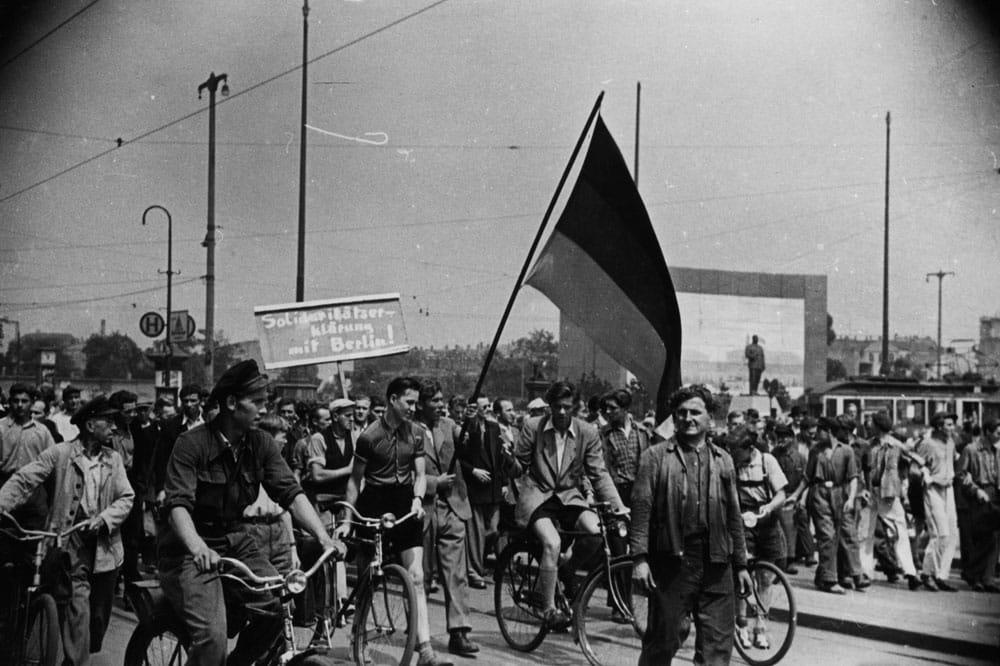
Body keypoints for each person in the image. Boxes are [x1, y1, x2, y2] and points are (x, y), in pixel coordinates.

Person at [158, 360, 342, 666]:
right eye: (255, 402)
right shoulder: (192, 444)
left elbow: (291, 493)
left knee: (279, 605)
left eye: (264, 402)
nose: (263, 409)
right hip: (187, 550)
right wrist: (198, 547)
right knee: (212, 639)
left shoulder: (261, 443)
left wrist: (324, 537)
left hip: (234, 540)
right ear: (231, 403)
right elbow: (177, 505)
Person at [0, 395, 134, 666]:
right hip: (70, 542)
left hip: (106, 547)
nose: (113, 428)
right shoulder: (61, 453)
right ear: (89, 424)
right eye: (107, 421)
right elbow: (26, 478)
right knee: (77, 608)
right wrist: (2, 503)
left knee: (98, 617)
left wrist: (105, 519)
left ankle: (79, 652)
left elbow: (126, 497)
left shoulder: (113, 459)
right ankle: (75, 661)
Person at [631, 385, 752, 665]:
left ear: (710, 418)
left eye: (695, 412)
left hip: (717, 562)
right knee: (663, 640)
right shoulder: (655, 457)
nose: (688, 418)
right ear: (674, 418)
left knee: (717, 647)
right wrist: (639, 559)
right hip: (672, 561)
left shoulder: (724, 460)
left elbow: (734, 516)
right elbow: (641, 510)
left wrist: (742, 565)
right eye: (681, 413)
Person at [335, 376, 452, 666]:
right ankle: (357, 641)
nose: (413, 408)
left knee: (417, 577)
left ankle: (425, 650)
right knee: (367, 580)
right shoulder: (369, 437)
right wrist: (348, 519)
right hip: (374, 501)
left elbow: (421, 474)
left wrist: (416, 498)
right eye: (408, 402)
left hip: (404, 501)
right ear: (392, 400)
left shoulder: (416, 433)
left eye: (415, 403)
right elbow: (355, 480)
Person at [500, 381, 624, 627]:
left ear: (576, 407)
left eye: (567, 407)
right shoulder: (533, 427)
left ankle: (567, 564)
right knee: (552, 542)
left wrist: (618, 506)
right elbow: (519, 467)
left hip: (568, 495)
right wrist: (507, 459)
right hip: (538, 495)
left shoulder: (587, 432)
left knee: (597, 533)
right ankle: (548, 608)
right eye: (556, 406)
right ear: (549, 406)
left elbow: (599, 473)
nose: (561, 412)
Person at [415, 379, 479, 657]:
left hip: (453, 506)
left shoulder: (449, 425)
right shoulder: (408, 430)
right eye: (435, 401)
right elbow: (403, 473)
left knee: (456, 573)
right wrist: (432, 482)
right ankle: (419, 631)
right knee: (422, 575)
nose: (441, 405)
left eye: (442, 400)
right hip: (423, 509)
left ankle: (459, 631)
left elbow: (470, 446)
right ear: (420, 404)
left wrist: (473, 425)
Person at [727, 425, 787, 650]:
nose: (734, 455)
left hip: (766, 521)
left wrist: (769, 508)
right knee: (742, 575)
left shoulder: (766, 461)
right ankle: (741, 623)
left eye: (737, 451)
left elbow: (781, 494)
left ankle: (760, 625)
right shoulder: (733, 464)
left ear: (749, 448)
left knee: (765, 577)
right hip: (743, 520)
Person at [867, 410, 922, 590]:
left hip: (888, 493)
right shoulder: (871, 444)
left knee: (899, 532)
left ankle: (910, 572)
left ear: (878, 426)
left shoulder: (896, 445)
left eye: (871, 422)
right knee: (868, 532)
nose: (868, 425)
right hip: (871, 491)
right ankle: (864, 572)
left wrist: (903, 484)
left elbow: (915, 461)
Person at [805, 417, 859, 593]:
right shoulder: (815, 451)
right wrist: (798, 497)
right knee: (827, 535)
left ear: (828, 431)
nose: (816, 434)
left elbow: (853, 478)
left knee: (843, 535)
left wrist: (851, 499)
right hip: (819, 495)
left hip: (839, 495)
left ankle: (838, 574)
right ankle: (829, 580)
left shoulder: (847, 451)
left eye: (819, 430)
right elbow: (807, 477)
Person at [459, 394, 505, 589]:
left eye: (488, 406)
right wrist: (473, 471)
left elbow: (501, 456)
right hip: (476, 487)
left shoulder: (494, 428)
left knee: (493, 530)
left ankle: (476, 560)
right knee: (476, 533)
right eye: (483, 406)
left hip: (493, 487)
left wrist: (504, 482)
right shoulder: (467, 428)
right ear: (474, 407)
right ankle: (474, 571)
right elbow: (459, 458)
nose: (487, 409)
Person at [0, 383, 56, 529]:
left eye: (24, 401)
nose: (19, 405)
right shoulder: (1, 428)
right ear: (9, 402)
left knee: (32, 541)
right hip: (4, 488)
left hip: (34, 492)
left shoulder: (42, 432)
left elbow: (52, 463)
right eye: (15, 400)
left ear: (31, 403)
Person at [916, 411, 960, 592]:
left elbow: (953, 461)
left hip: (948, 490)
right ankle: (927, 574)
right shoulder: (927, 443)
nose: (952, 428)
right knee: (940, 533)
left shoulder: (950, 443)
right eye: (948, 425)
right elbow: (915, 466)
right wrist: (926, 475)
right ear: (939, 426)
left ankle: (942, 575)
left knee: (951, 535)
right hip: (933, 490)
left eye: (952, 425)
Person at [956, 418, 1000, 592]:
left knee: (994, 536)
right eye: (997, 432)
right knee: (980, 537)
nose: (999, 435)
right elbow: (961, 474)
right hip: (977, 496)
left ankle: (987, 577)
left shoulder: (995, 451)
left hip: (994, 494)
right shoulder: (971, 449)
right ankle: (974, 576)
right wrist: (975, 490)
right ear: (988, 432)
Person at [599, 388, 651, 507]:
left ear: (625, 409)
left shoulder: (642, 432)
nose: (607, 411)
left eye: (613, 408)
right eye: (606, 408)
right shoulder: (603, 435)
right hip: (616, 491)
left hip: (640, 489)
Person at [153, 384, 204, 503]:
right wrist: (161, 489)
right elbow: (162, 459)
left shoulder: (210, 423)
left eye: (193, 401)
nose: (189, 404)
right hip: (179, 484)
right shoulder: (171, 426)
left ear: (200, 401)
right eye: (185, 401)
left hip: (206, 484)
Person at [770, 423, 806, 575]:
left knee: (790, 530)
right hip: (777, 495)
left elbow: (805, 479)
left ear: (792, 438)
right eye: (779, 437)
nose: (782, 440)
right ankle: (779, 560)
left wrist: (798, 497)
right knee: (777, 530)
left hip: (793, 496)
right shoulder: (773, 455)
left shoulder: (799, 458)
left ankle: (791, 560)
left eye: (785, 437)